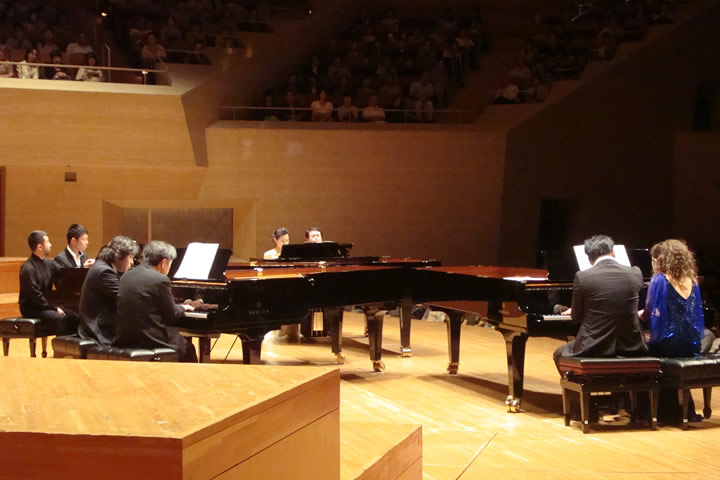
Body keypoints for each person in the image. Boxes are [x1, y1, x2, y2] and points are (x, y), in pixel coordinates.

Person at [642, 239, 715, 423]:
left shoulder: (659, 280)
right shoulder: (692, 281)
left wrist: (636, 314)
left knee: (641, 352)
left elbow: (650, 313)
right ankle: (683, 409)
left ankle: (648, 411)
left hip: (670, 343)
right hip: (691, 343)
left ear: (661, 260)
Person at [553, 234, 647, 365]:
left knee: (559, 353)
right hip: (631, 345)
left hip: (593, 346)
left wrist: (578, 310)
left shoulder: (583, 277)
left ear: (589, 258)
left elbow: (577, 317)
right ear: (613, 252)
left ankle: (574, 384)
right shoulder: (636, 273)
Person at [114, 240, 197, 362]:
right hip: (149, 339)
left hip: (124, 337)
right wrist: (183, 307)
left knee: (178, 338)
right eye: (170, 264)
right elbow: (172, 316)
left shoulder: (126, 276)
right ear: (164, 262)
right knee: (188, 348)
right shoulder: (160, 280)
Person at [77, 236, 138, 345]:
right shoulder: (104, 271)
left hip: (103, 323)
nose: (132, 262)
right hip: (99, 329)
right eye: (130, 257)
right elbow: (123, 300)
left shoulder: (103, 266)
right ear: (119, 256)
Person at [19, 230, 79, 335]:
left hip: (46, 304)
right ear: (40, 247)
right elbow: (35, 296)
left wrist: (84, 269)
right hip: (32, 308)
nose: (50, 245)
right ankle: (59, 349)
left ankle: (70, 349)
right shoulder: (27, 269)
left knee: (74, 316)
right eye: (48, 242)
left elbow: (65, 274)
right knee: (62, 319)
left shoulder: (49, 263)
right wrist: (55, 307)